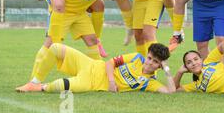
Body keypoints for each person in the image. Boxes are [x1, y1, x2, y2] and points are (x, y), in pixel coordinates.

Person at [29, 0, 110, 86]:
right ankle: (33, 81)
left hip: (80, 14)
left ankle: (100, 77)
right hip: (65, 12)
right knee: (50, 44)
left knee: (92, 41)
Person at [16, 43, 175, 94]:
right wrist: (112, 82)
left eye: (155, 62)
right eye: (149, 58)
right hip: (91, 64)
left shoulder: (149, 83)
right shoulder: (136, 57)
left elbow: (171, 91)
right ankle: (33, 81)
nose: (149, 63)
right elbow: (109, 63)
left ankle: (37, 88)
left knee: (61, 86)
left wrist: (167, 69)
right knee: (56, 48)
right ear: (146, 55)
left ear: (159, 65)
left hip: (92, 83)